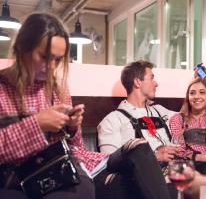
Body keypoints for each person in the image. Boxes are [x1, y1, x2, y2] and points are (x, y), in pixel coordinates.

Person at [0, 13, 171, 199]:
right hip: (21, 177)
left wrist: (72, 127)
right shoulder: (3, 87)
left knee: (139, 148)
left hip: (69, 166)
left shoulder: (58, 88)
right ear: (23, 47)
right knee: (85, 189)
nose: (51, 66)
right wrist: (37, 124)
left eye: (58, 59)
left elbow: (76, 147)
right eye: (45, 56)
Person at [97, 60, 179, 164]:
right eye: (152, 78)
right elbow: (109, 162)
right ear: (138, 82)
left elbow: (186, 116)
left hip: (175, 169)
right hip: (143, 175)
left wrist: (196, 83)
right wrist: (154, 157)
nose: (156, 84)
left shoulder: (160, 111)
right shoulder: (112, 120)